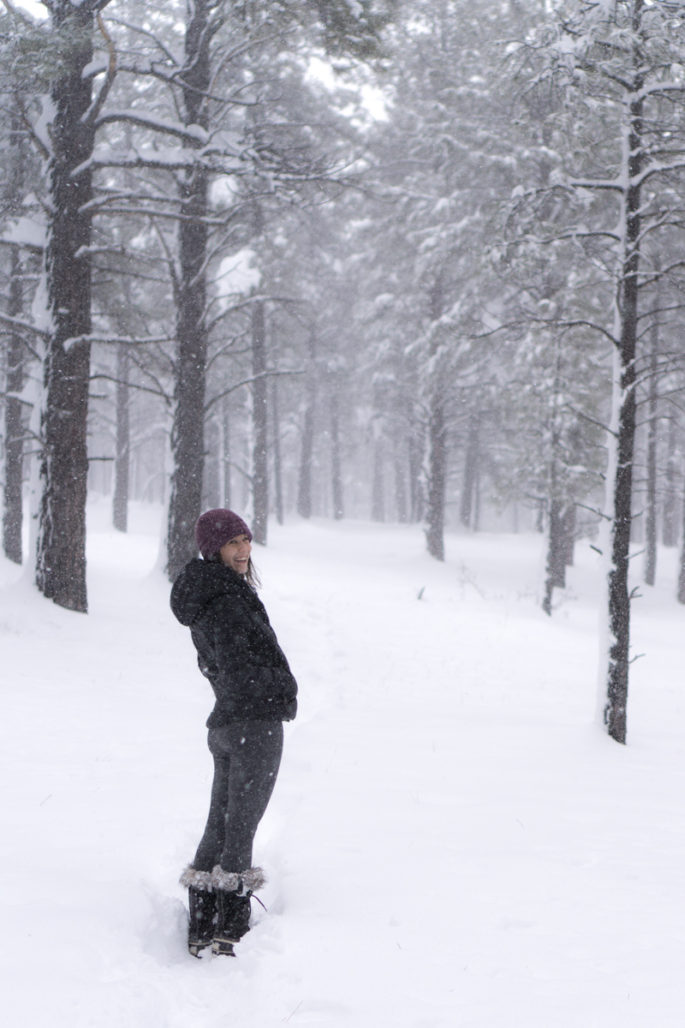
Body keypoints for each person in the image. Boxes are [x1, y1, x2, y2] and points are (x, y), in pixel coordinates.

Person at [170, 509, 298, 957]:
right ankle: (231, 933)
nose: (243, 551)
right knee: (240, 828)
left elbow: (215, 667)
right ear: (214, 549)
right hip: (254, 724)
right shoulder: (225, 600)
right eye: (233, 544)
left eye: (246, 541)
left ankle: (202, 928)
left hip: (228, 722)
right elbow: (237, 667)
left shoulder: (207, 594)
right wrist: (283, 686)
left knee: (221, 822)